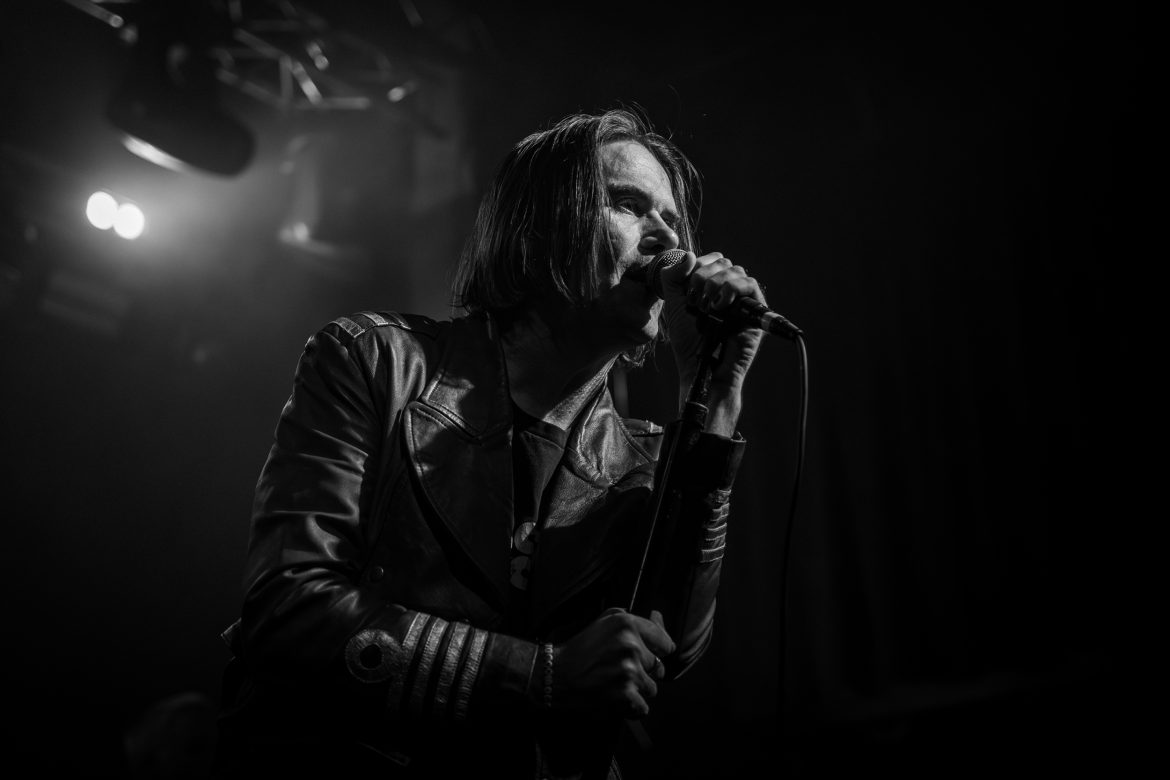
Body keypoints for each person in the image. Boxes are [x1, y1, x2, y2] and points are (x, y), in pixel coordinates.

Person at [215, 108, 767, 779]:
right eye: (628, 205)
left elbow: (669, 648)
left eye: (673, 220)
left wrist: (716, 391)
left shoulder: (643, 461)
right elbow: (288, 612)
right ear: (537, 231)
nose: (668, 240)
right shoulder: (377, 364)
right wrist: (541, 676)